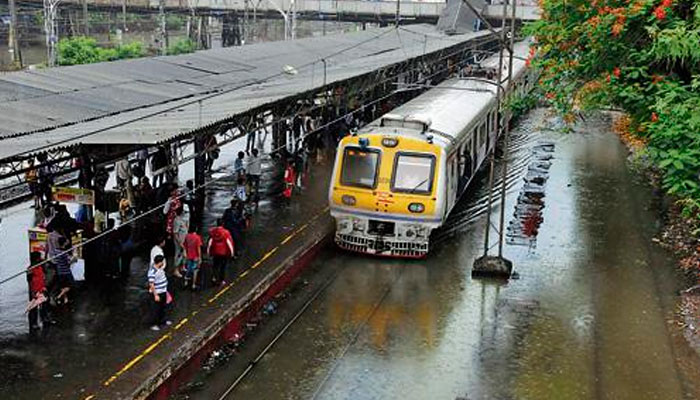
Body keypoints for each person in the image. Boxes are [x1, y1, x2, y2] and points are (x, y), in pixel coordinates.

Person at [26, 252, 50, 331]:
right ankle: (34, 324)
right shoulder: (30, 269)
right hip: (34, 290)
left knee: (45, 304)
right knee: (34, 307)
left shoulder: (40, 266)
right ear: (36, 259)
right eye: (39, 257)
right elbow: (29, 281)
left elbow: (42, 277)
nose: (41, 259)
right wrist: (32, 292)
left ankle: (45, 319)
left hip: (42, 289)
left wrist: (44, 287)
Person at [147, 254, 171, 331]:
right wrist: (155, 295)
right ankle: (154, 324)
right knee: (155, 309)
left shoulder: (160, 269)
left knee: (163, 307)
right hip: (157, 293)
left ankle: (162, 321)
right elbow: (151, 284)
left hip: (163, 291)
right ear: (159, 262)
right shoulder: (152, 271)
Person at [208, 218, 234, 286]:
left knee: (215, 266)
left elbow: (210, 243)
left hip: (215, 252)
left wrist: (209, 252)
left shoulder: (213, 232)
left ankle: (214, 278)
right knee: (223, 267)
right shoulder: (226, 233)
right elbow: (229, 243)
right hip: (223, 253)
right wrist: (232, 253)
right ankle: (221, 280)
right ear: (223, 224)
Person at [54, 237, 75, 305]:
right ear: (64, 243)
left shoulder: (56, 251)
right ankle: (58, 296)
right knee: (70, 285)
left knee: (63, 286)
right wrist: (74, 257)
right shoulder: (64, 253)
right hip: (66, 272)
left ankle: (66, 299)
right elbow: (69, 262)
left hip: (59, 271)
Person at [182, 225, 202, 290]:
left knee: (188, 269)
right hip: (195, 256)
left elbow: (185, 245)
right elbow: (198, 248)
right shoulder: (197, 237)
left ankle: (186, 282)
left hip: (189, 255)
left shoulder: (187, 236)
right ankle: (193, 284)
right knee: (195, 270)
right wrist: (200, 257)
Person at [172, 206, 189, 278]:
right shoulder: (177, 220)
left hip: (184, 240)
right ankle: (176, 270)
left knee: (184, 255)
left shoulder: (183, 219)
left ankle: (182, 266)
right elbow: (175, 233)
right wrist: (180, 243)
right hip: (179, 242)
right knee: (178, 255)